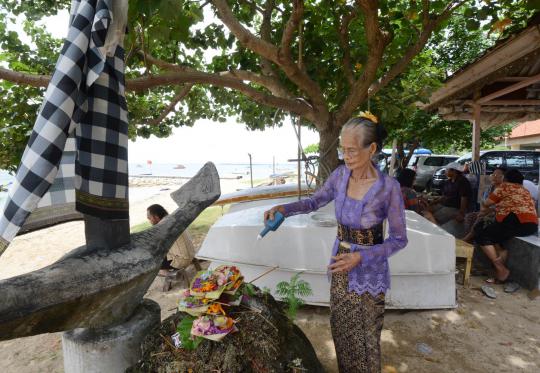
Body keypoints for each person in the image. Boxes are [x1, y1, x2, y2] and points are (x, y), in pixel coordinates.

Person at [264, 113, 407, 372]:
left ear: (372, 149)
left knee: (366, 337)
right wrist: (284, 209)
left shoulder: (389, 188)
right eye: (343, 150)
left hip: (367, 272)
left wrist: (360, 257)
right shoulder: (340, 176)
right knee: (341, 331)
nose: (346, 156)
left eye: (352, 150)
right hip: (340, 267)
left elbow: (399, 239)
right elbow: (313, 202)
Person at [474, 169, 538, 283]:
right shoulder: (525, 191)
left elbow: (487, 203)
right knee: (498, 238)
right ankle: (499, 270)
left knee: (481, 236)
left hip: (515, 222)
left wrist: (491, 206)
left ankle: (501, 268)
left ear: (505, 179)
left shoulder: (504, 186)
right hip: (531, 226)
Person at [147, 204, 196, 276]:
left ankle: (169, 274)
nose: (149, 221)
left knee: (151, 262)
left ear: (156, 217)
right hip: (191, 254)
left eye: (149, 218)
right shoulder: (173, 218)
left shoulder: (162, 226)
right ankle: (166, 271)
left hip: (182, 260)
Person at [462, 167, 505, 243]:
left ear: (504, 177)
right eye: (493, 174)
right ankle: (470, 240)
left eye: (498, 174)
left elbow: (501, 206)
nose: (494, 176)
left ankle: (467, 239)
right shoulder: (490, 187)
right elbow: (483, 201)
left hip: (496, 213)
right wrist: (482, 211)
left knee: (480, 219)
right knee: (469, 216)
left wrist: (485, 212)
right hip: (485, 211)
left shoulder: (504, 189)